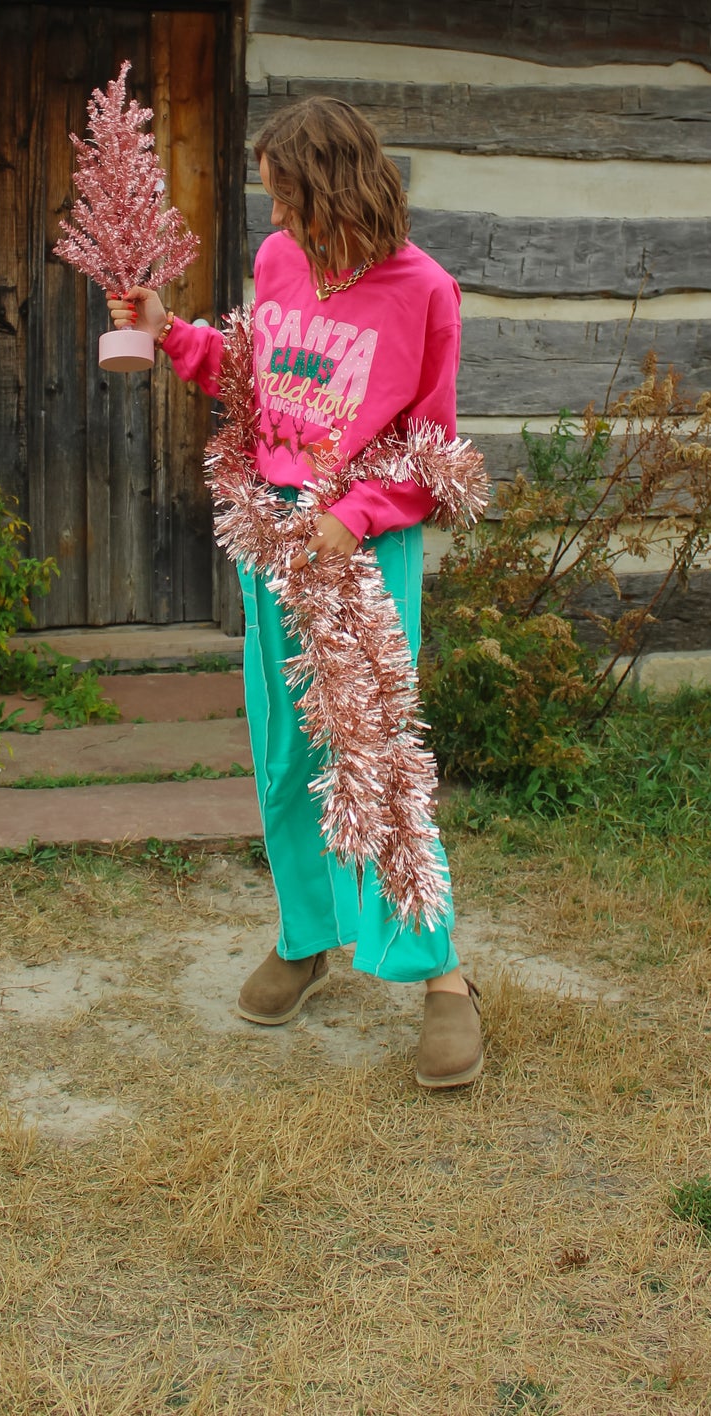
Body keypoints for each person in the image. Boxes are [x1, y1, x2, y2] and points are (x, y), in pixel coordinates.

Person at [108, 95, 481, 1090]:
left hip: (359, 541)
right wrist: (167, 329)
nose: (273, 218)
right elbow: (251, 376)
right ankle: (305, 936)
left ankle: (439, 977)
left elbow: (431, 452)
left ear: (331, 188)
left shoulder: (424, 292)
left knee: (371, 757)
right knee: (283, 749)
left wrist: (351, 514)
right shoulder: (279, 262)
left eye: (284, 196)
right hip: (271, 531)